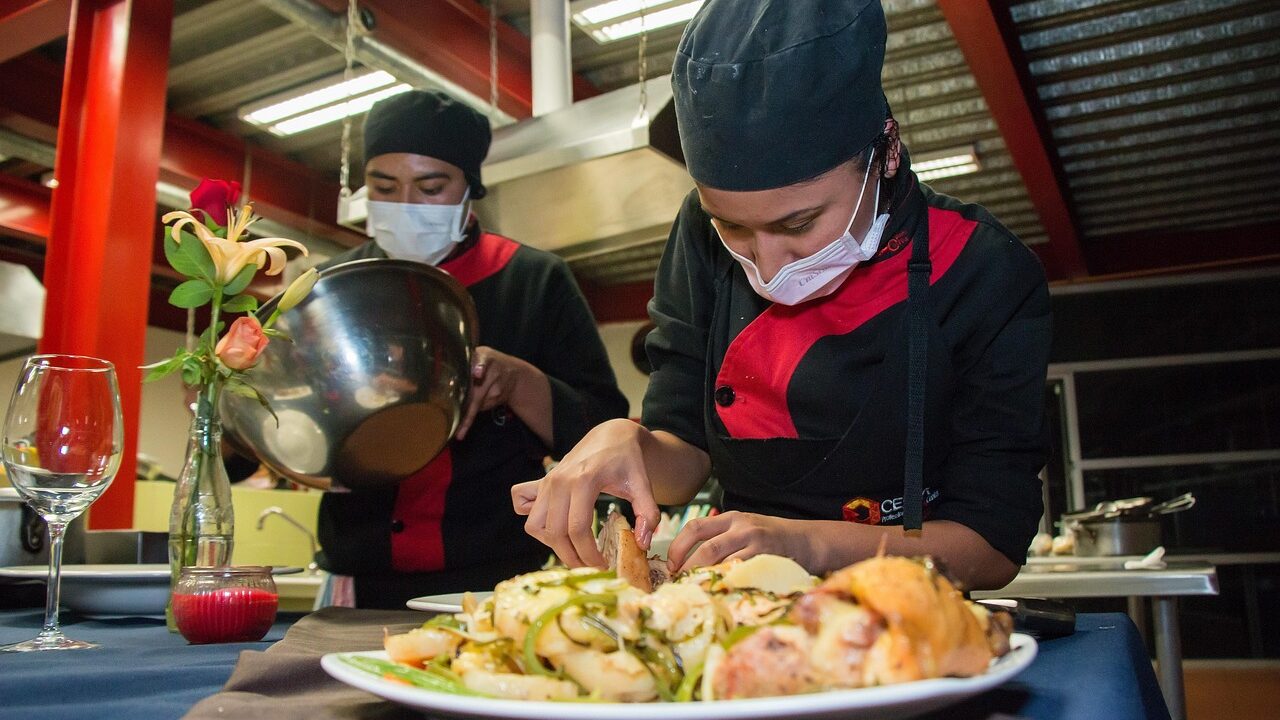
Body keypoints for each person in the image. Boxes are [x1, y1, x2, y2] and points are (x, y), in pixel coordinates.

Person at [515, 0, 1051, 591]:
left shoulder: (981, 268)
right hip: (740, 607)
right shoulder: (698, 237)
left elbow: (991, 546)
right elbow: (684, 457)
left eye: (799, 224)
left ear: (886, 151)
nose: (767, 267)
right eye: (733, 226)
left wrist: (804, 543)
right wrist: (629, 443)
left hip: (905, 617)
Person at [316, 90, 630, 608]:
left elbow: (600, 427)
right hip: (360, 579)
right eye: (384, 187)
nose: (406, 205)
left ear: (470, 188)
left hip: (497, 579)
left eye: (431, 187)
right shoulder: (333, 287)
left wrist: (520, 383)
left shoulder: (531, 280)